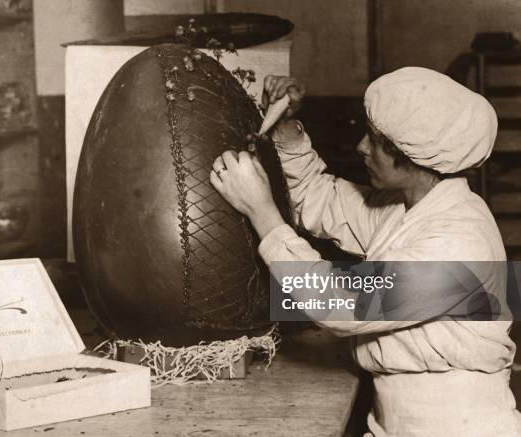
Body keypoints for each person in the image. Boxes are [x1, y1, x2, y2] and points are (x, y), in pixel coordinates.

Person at [210, 67, 521, 436]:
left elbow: (339, 304)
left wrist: (262, 213)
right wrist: (284, 127)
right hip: (397, 420)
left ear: (412, 154)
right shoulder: (408, 206)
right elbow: (318, 197)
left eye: (375, 140)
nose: (361, 147)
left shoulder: (457, 241)